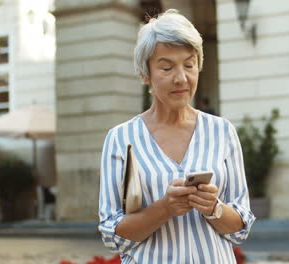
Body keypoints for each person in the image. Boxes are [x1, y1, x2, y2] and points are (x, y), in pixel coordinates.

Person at [98, 9, 255, 263]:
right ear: (145, 74)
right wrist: (165, 208)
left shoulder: (222, 132)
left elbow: (240, 229)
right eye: (167, 67)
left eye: (189, 65)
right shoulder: (120, 139)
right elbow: (112, 236)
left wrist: (213, 208)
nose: (181, 78)